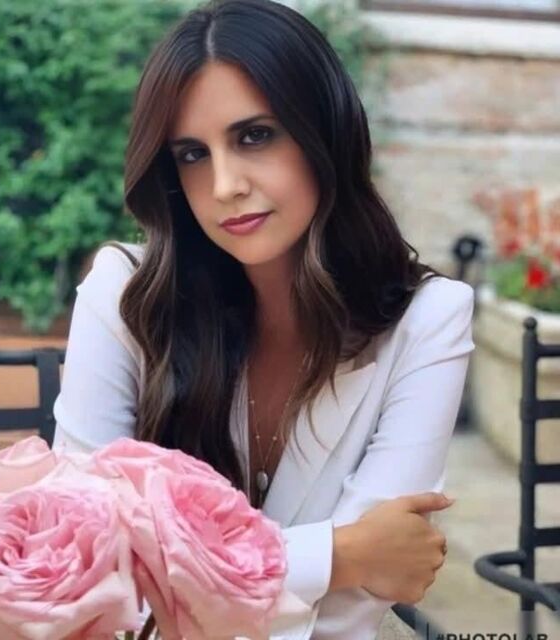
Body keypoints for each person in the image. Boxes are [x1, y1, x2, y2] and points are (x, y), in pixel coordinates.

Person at [52, 0, 475, 638]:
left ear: (325, 133)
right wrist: (340, 554)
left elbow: (352, 611)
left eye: (254, 136)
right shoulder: (125, 294)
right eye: (192, 154)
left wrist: (177, 578)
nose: (225, 184)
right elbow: (91, 571)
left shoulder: (429, 321)